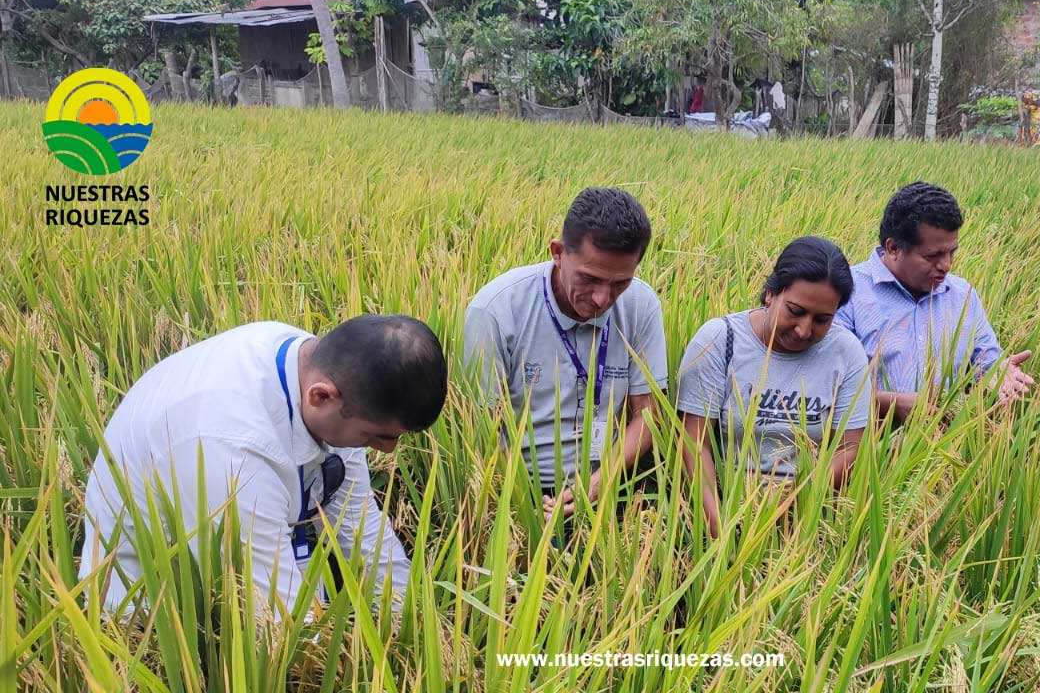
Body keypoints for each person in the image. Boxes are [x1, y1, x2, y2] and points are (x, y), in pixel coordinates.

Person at [78, 315, 447, 614]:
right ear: (320, 396)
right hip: (157, 609)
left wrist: (409, 617)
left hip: (264, 544)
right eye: (376, 436)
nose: (387, 450)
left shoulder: (321, 369)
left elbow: (358, 523)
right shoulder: (230, 447)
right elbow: (274, 615)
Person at [463, 187, 667, 520]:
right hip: (519, 486)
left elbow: (648, 413)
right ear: (558, 253)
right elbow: (482, 428)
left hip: (607, 480)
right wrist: (520, 505)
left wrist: (601, 482)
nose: (603, 299)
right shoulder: (497, 310)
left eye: (620, 283)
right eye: (589, 279)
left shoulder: (641, 305)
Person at [676, 237, 874, 538]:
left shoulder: (846, 352)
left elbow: (849, 448)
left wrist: (793, 503)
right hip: (723, 507)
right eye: (795, 311)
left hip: (808, 515)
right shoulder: (720, 340)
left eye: (822, 319)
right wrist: (719, 523)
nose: (804, 330)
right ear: (770, 293)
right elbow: (694, 441)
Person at [835, 182, 1034, 421]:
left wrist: (998, 371)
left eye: (952, 253)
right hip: (864, 447)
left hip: (946, 444)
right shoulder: (846, 293)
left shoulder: (962, 296)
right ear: (893, 248)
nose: (946, 265)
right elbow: (826, 386)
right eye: (932, 256)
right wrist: (889, 404)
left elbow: (987, 359)